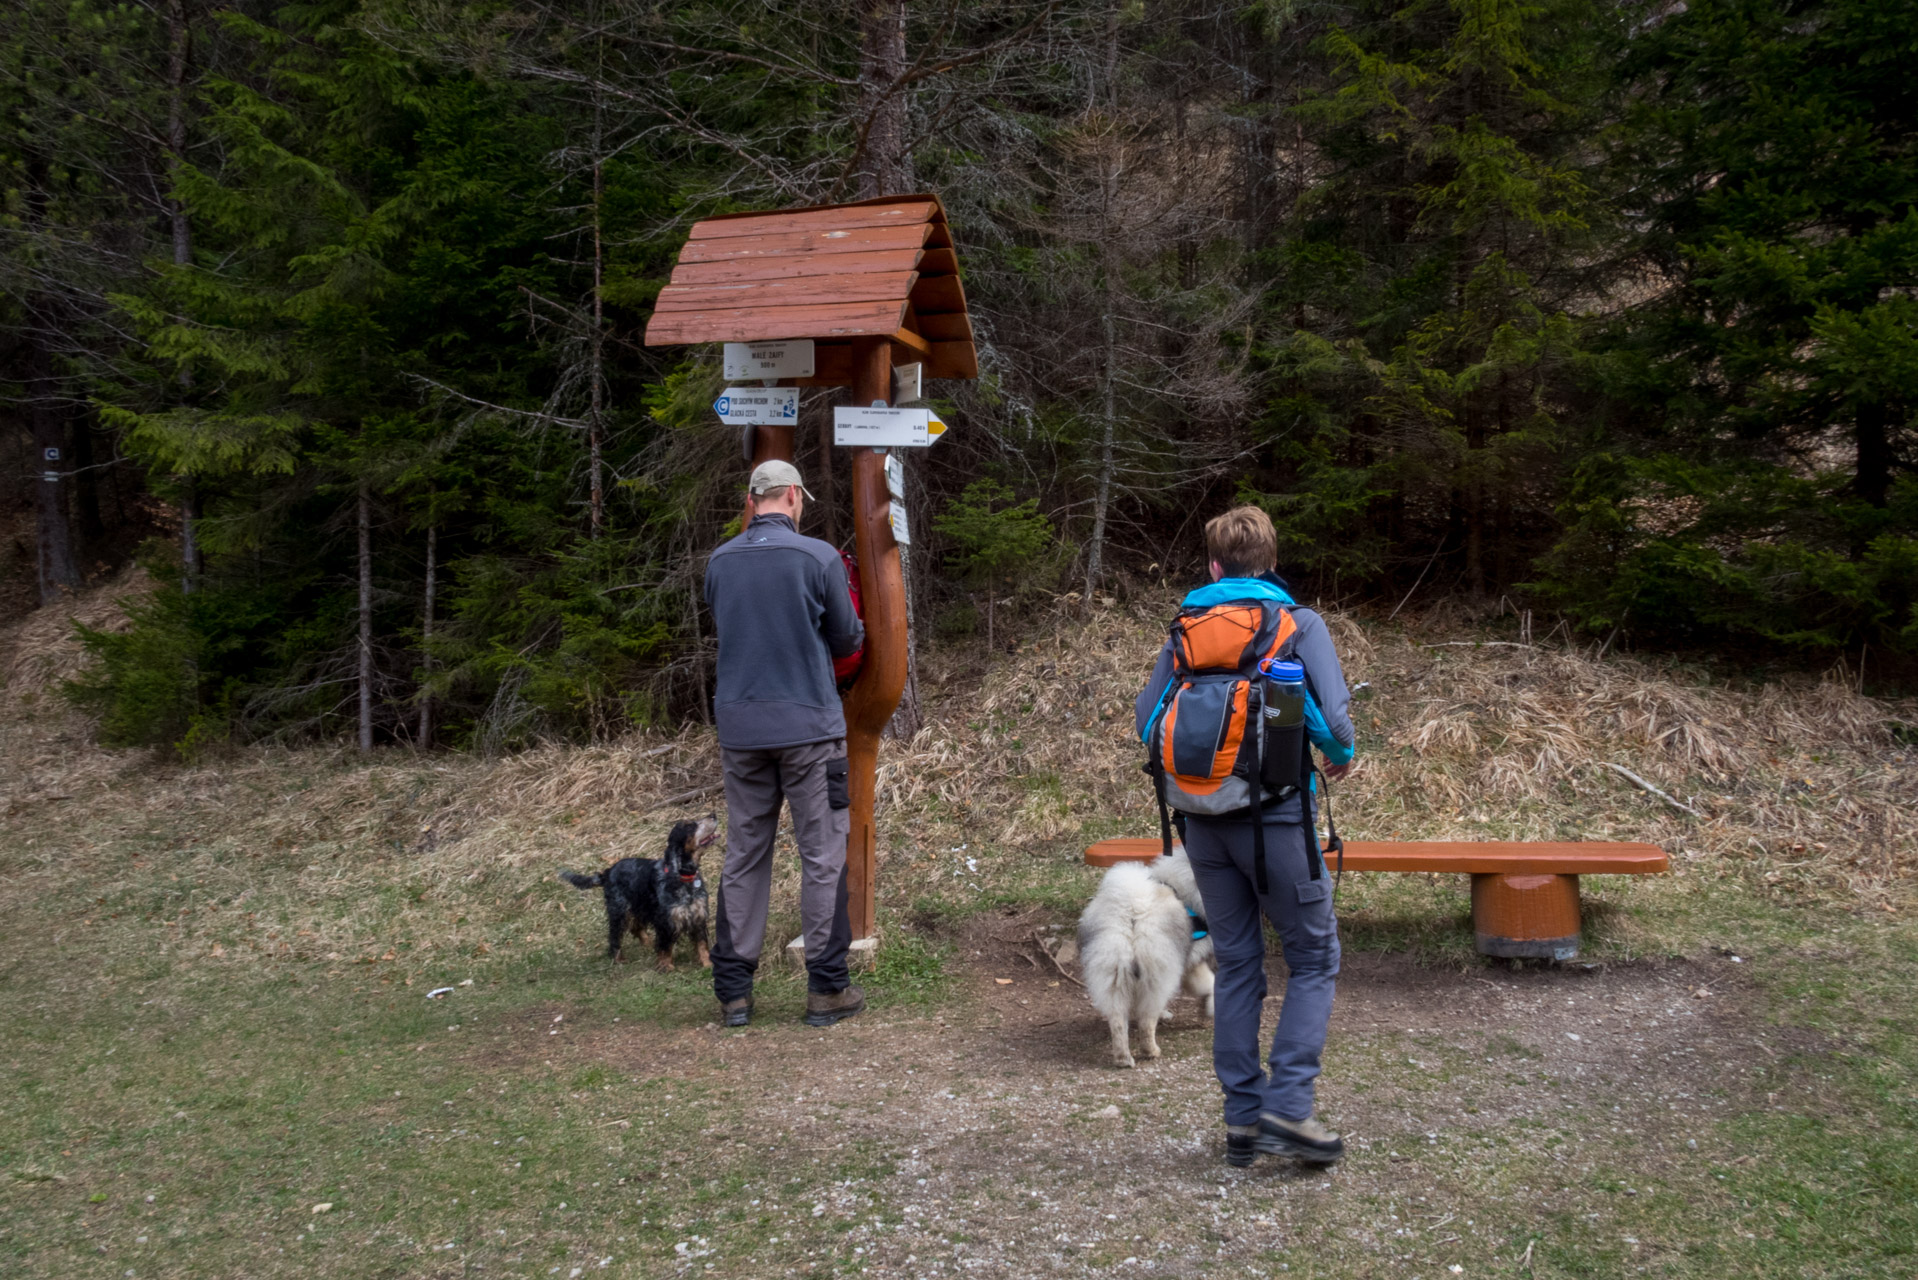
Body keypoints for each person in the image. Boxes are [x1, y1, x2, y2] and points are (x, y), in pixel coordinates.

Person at [1133, 505, 1357, 1167]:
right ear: (1271, 561)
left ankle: (1242, 1119)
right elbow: (1336, 723)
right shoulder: (1298, 623)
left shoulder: (1186, 632)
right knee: (1314, 956)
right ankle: (1289, 1107)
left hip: (1200, 823)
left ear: (1213, 566)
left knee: (1237, 964)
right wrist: (1336, 751)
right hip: (1278, 819)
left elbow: (1148, 724)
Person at [704, 460, 866, 1028]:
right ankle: (826, 990)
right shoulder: (818, 557)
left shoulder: (719, 561)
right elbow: (848, 636)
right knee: (822, 853)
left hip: (741, 730)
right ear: (793, 497)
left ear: (752, 501)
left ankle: (734, 993)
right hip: (810, 729)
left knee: (746, 852)